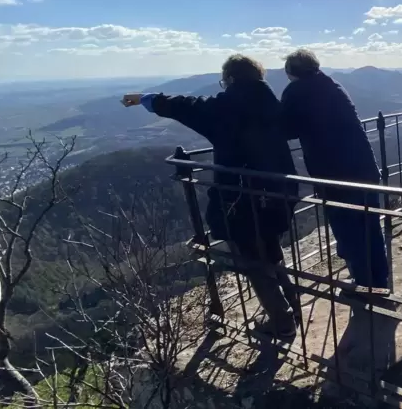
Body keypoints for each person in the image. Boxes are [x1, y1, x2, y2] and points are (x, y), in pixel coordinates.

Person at [121, 54, 300, 340]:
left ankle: (282, 323)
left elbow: (185, 106)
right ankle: (293, 308)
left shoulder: (226, 107)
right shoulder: (273, 104)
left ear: (229, 79)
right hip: (280, 190)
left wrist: (147, 99)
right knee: (271, 251)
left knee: (253, 258)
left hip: (244, 196)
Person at [280, 49, 390, 294]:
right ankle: (380, 283)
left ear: (291, 72)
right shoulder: (332, 84)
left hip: (335, 175)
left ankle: (363, 287)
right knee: (370, 227)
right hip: (365, 168)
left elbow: (284, 129)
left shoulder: (296, 91)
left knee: (349, 230)